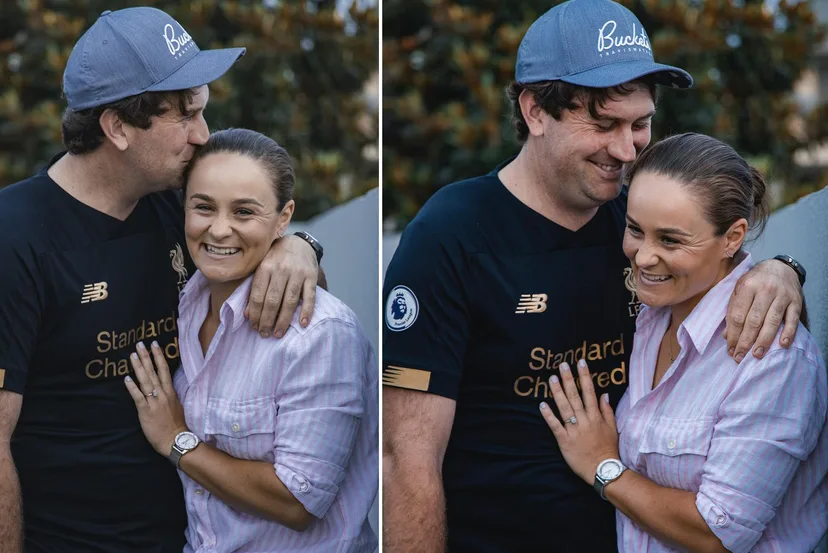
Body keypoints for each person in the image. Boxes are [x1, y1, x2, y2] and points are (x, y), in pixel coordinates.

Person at [381, 1, 807, 552]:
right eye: (603, 123)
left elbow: (721, 271)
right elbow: (405, 462)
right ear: (535, 111)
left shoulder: (641, 226)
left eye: (641, 123)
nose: (626, 148)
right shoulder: (452, 234)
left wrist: (782, 270)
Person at [0, 8, 323, 553]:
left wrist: (299, 247)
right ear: (117, 127)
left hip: (193, 538)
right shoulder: (13, 235)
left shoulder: (178, 209)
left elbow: (257, 249)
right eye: (185, 115)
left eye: (203, 110)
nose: (203, 135)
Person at [540, 132, 828, 552]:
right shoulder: (650, 316)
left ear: (732, 238)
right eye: (635, 229)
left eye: (670, 240)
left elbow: (718, 533)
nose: (643, 257)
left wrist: (603, 467)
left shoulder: (771, 356)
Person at [122, 128, 378, 553]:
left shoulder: (320, 334)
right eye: (203, 207)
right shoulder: (184, 304)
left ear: (284, 217)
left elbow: (298, 501)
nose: (219, 230)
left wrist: (176, 439)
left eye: (244, 212)